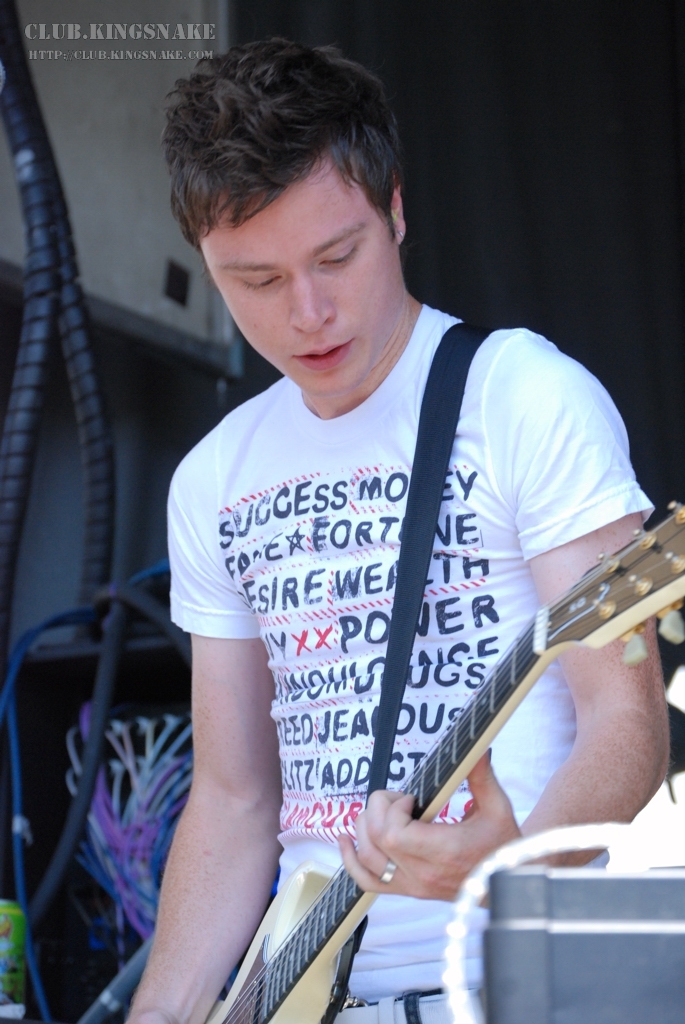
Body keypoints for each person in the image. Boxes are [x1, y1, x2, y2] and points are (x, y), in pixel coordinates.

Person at [129, 38, 668, 1024]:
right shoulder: (214, 477)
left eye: (337, 257)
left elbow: (626, 723)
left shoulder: (520, 396)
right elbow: (235, 798)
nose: (308, 311)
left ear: (396, 210)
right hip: (309, 991)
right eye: (256, 280)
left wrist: (513, 873)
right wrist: (161, 1009)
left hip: (516, 986)